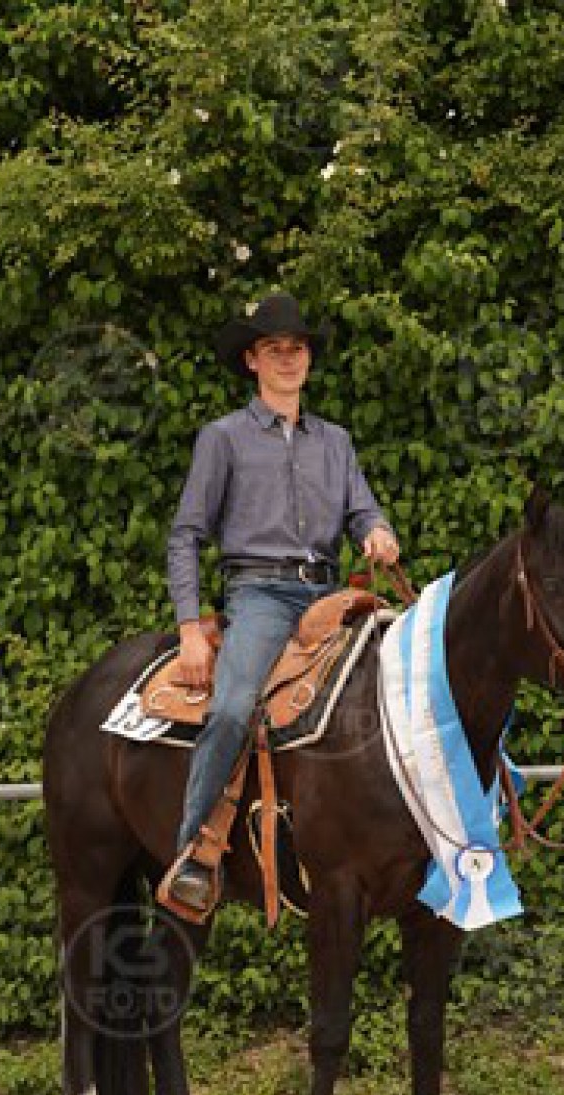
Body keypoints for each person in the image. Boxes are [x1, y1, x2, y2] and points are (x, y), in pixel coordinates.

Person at [161, 292, 399, 912]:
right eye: (274, 349)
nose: (288, 359)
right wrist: (190, 627)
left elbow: (362, 509)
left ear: (309, 359)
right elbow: (186, 535)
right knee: (231, 709)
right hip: (261, 594)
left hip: (331, 594)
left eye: (297, 349)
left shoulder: (336, 443)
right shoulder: (223, 439)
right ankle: (196, 852)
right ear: (252, 360)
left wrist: (377, 530)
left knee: (413, 677)